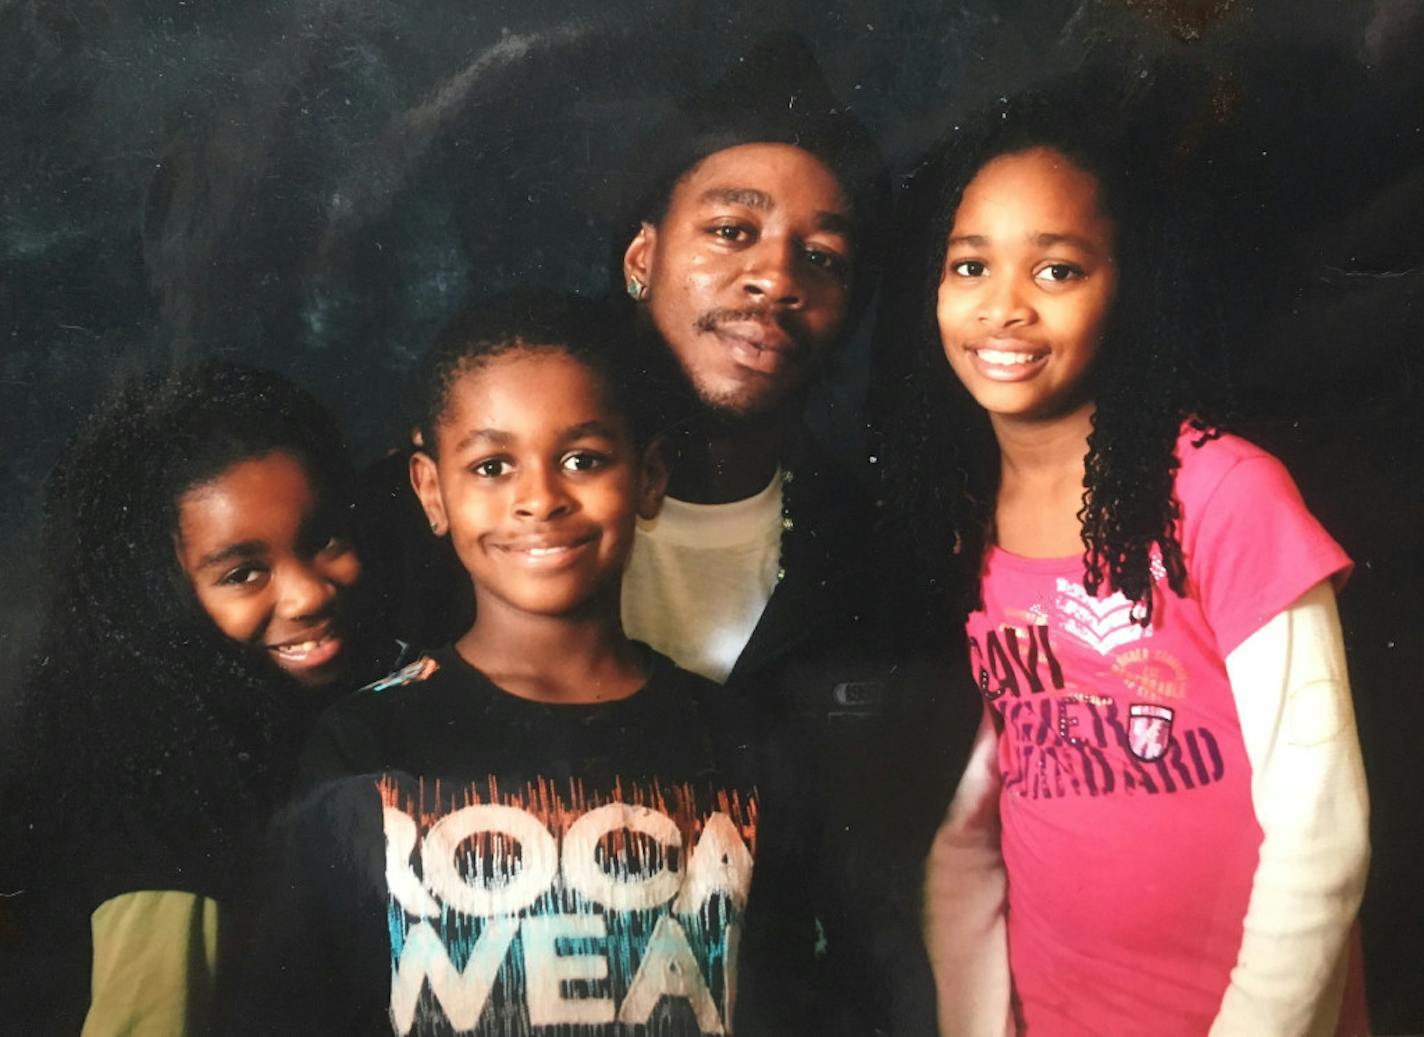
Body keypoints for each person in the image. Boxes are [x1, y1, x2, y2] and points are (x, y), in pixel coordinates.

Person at [878, 86, 1371, 1035]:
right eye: (970, 265)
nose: (1003, 308)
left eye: (1056, 271)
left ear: (1126, 287)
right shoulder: (961, 517)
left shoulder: (1224, 494)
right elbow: (971, 830)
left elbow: (1323, 832)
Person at [235, 292, 820, 1036]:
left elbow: (798, 998)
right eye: (492, 465)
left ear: (648, 475)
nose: (539, 498)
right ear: (431, 489)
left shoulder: (741, 740)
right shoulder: (366, 741)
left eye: (583, 459)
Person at [0, 363, 382, 1035]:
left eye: (322, 539)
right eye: (243, 572)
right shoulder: (160, 814)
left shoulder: (309, 721)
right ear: (162, 600)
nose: (308, 594)